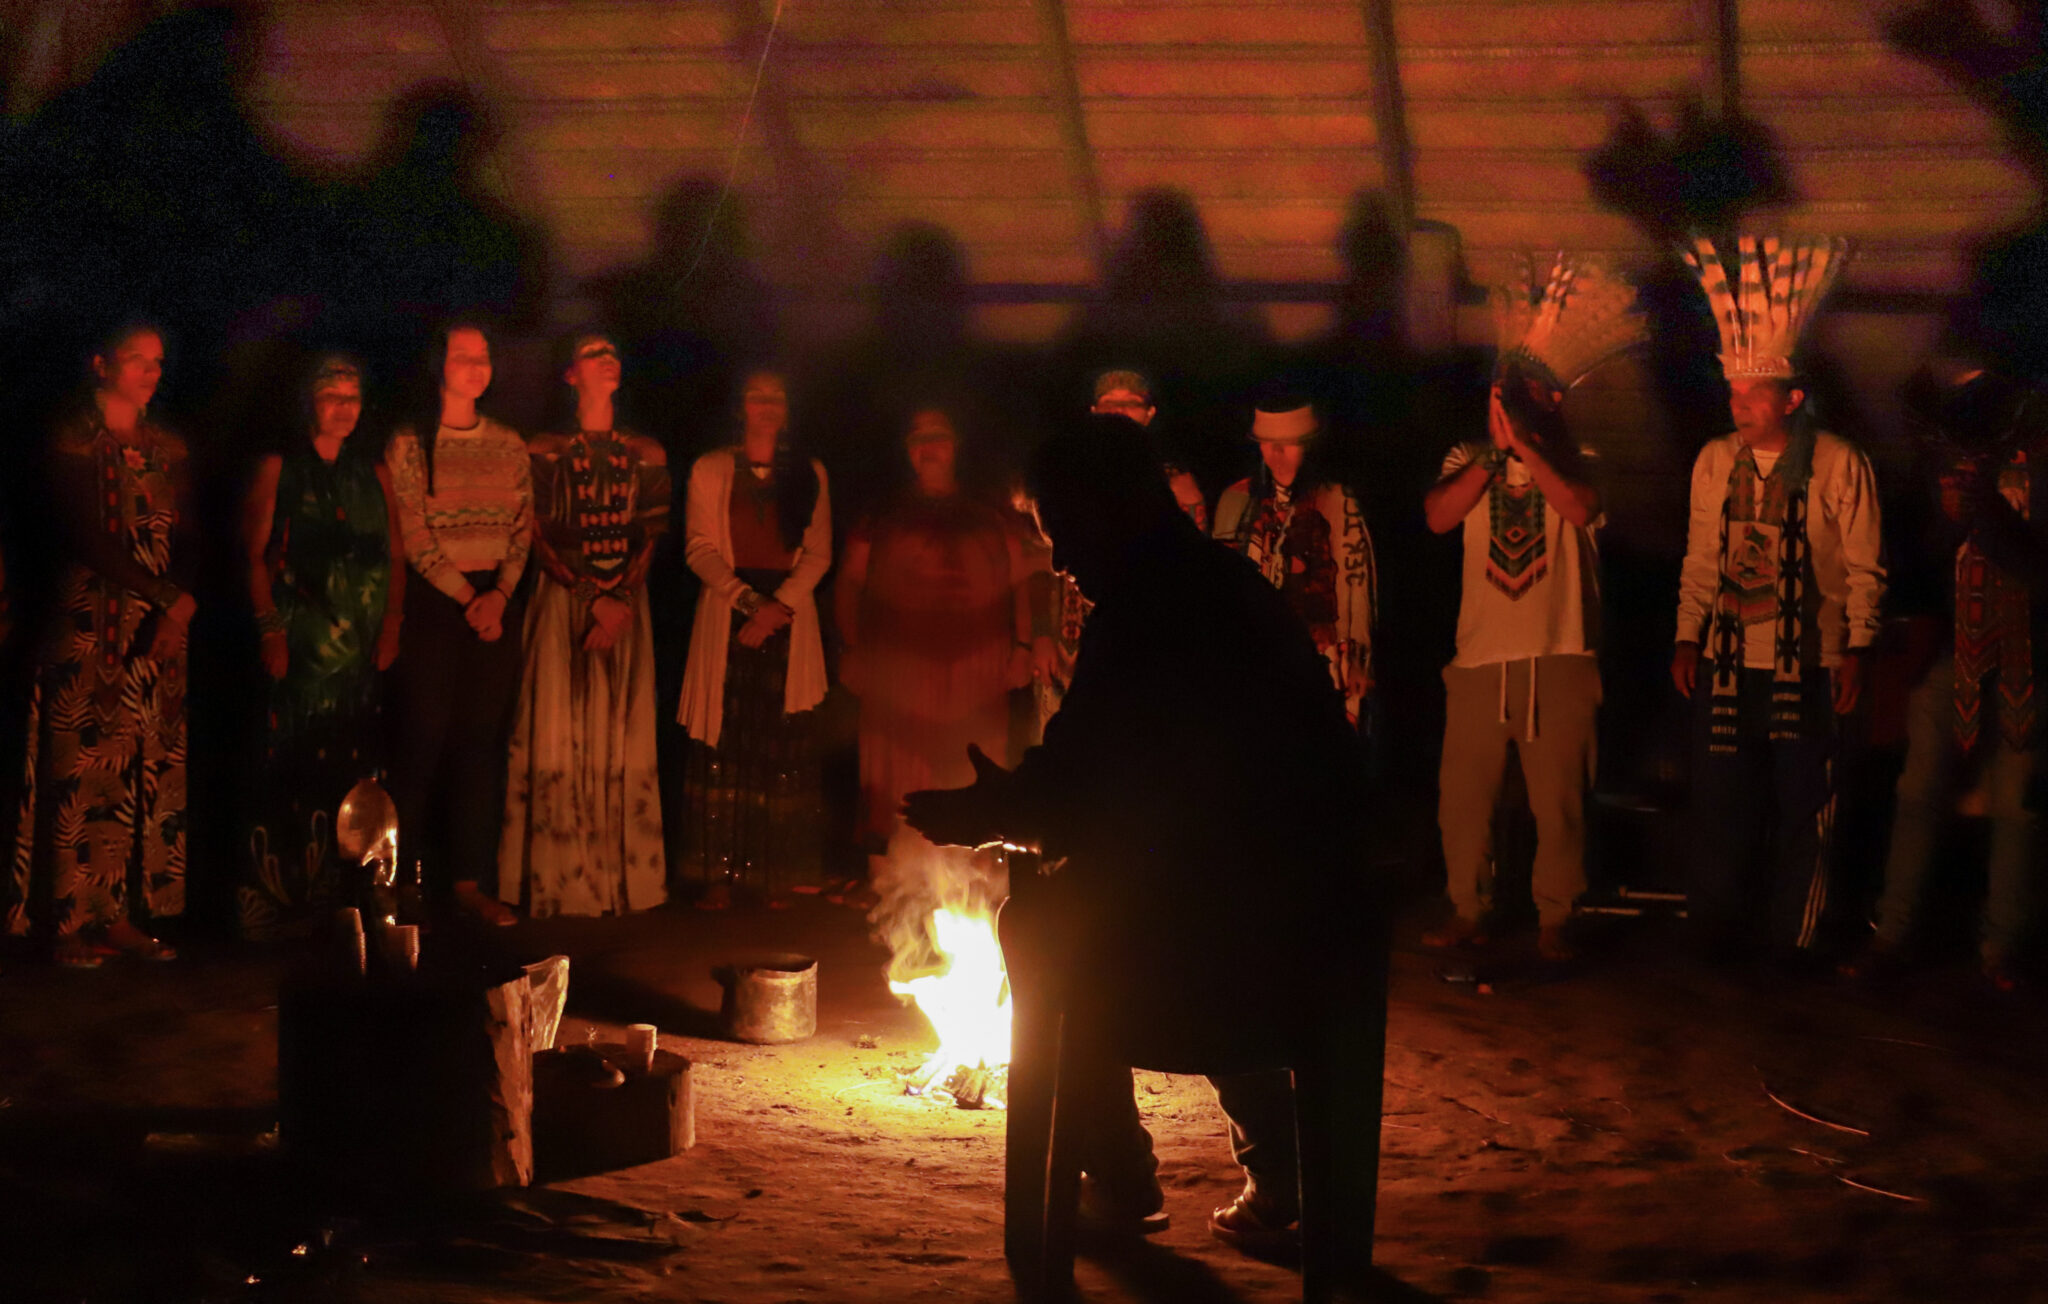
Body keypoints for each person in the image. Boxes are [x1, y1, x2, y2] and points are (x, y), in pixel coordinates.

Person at [905, 413, 1375, 1253]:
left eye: (1062, 529)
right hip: (1309, 940)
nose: (1060, 559)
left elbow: (1086, 783)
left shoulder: (1143, 612)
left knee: (1053, 925)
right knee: (1197, 905)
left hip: (1204, 959)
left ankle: (1119, 1179)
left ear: (1109, 504)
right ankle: (1281, 1176)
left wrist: (998, 811)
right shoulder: (1231, 587)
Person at [1420, 255, 1646, 960]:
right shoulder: (1466, 456)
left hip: (1560, 655)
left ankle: (1555, 917)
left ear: (1552, 399)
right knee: (1464, 800)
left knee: (1560, 802)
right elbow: (1437, 518)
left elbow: (1577, 509)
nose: (1512, 404)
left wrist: (1528, 449)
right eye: (1505, 393)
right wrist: (1496, 455)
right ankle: (1469, 907)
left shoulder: (1583, 458)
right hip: (1481, 659)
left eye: (1524, 394)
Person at [1671, 235, 1883, 962]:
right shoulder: (1714, 461)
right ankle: (1716, 937)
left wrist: (1857, 649)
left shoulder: (1839, 463)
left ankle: (1793, 941)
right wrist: (1688, 636)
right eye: (1733, 394)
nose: (1738, 406)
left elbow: (1865, 568)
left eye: (1752, 395)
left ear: (1791, 399)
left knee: (1803, 808)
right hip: (1729, 664)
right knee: (1720, 804)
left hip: (1808, 667)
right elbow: (1702, 558)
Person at [1852, 360, 2046, 990]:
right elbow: (1926, 561)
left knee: (2017, 809)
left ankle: (2001, 949)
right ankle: (1892, 936)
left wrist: (1984, 511)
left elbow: (2037, 571)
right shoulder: (1956, 468)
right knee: (1917, 795)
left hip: (2030, 661)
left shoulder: (2038, 473)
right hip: (1955, 655)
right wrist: (1950, 516)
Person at [9, 323, 192, 965]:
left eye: (157, 361)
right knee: (80, 772)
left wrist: (175, 608)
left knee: (139, 768)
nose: (150, 372)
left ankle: (118, 915)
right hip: (91, 624)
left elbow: (188, 534)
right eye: (135, 359)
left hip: (157, 630)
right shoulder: (74, 437)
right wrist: (162, 594)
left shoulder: (165, 444)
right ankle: (64, 920)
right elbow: (84, 534)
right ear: (100, 364)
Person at [498, 332, 669, 918]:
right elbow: (537, 531)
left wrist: (618, 600)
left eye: (613, 353)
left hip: (625, 607)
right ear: (571, 374)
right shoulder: (545, 449)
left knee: (619, 729)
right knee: (559, 725)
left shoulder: (647, 452)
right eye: (595, 354)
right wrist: (592, 597)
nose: (609, 360)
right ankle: (564, 881)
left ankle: (621, 880)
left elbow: (650, 534)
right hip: (564, 600)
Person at [239, 355, 405, 941]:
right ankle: (281, 906)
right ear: (308, 402)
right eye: (332, 396)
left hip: (359, 654)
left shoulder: (373, 472)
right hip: (302, 649)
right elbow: (253, 553)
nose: (344, 408)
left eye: (352, 397)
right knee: (290, 771)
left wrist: (392, 624)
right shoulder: (280, 468)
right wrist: (270, 629)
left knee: (350, 777)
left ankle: (347, 904)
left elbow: (395, 553)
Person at [384, 319, 532, 926]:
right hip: (438, 606)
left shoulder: (509, 444)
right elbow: (413, 533)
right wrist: (469, 597)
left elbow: (522, 527)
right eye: (462, 355)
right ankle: (399, 882)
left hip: (494, 605)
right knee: (421, 740)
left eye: (483, 355)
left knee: (480, 745)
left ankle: (470, 883)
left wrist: (500, 595)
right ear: (438, 367)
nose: (476, 366)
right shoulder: (409, 443)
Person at [836, 407, 1033, 848]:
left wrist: (1023, 646)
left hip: (979, 670)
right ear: (908, 451)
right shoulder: (882, 512)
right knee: (897, 773)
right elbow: (850, 582)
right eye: (918, 440)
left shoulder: (992, 511)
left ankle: (974, 876)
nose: (929, 448)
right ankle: (895, 880)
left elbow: (1021, 580)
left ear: (955, 446)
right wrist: (851, 649)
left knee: (972, 764)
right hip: (898, 670)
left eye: (938, 437)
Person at [676, 369, 832, 904]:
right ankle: (718, 876)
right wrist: (748, 603)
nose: (766, 405)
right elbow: (699, 547)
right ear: (740, 406)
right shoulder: (711, 468)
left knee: (778, 745)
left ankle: (774, 875)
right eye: (756, 396)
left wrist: (777, 608)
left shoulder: (809, 472)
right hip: (730, 612)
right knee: (726, 740)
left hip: (787, 618)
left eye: (776, 397)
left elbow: (818, 552)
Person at [1028, 369, 1210, 733]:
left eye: (1130, 404)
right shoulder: (1068, 477)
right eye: (1110, 404)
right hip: (1070, 639)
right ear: (1095, 412)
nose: (1120, 412)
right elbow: (1040, 565)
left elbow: (1186, 575)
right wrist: (1041, 633)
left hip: (1139, 640)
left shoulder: (1175, 486)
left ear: (1150, 413)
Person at [1213, 395, 1376, 726]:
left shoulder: (1336, 499)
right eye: (1267, 442)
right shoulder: (1237, 500)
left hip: (1323, 656)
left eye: (1288, 443)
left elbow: (1357, 582)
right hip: (1256, 657)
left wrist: (1359, 655)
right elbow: (1221, 584)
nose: (1276, 453)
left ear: (1309, 446)